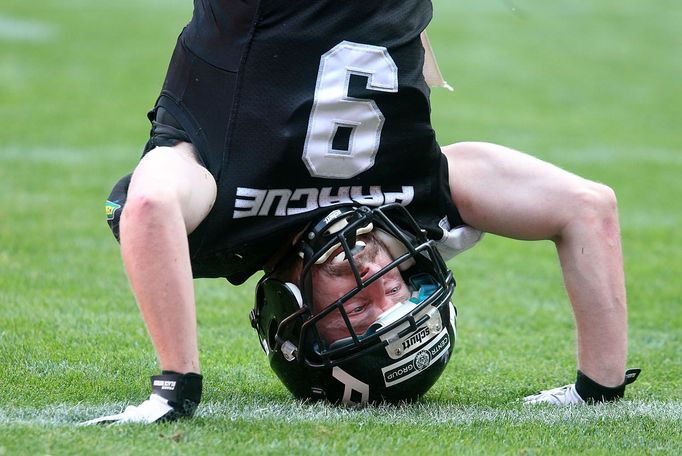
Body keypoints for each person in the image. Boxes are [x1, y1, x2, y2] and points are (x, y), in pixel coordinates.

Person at [85, 0, 638, 424]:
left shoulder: (220, 223)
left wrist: (178, 384)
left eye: (356, 311)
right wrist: (598, 389)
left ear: (296, 318)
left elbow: (150, 204)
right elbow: (588, 207)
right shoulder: (417, 202)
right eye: (397, 294)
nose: (374, 277)